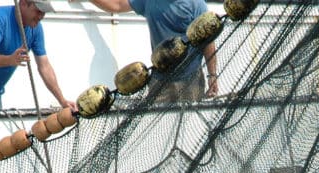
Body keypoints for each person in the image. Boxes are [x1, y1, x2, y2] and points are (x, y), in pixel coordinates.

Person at [0, 0, 76, 112]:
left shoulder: (36, 29)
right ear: (22, 4)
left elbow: (44, 67)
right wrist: (10, 60)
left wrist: (62, 100)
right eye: (38, 11)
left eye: (44, 12)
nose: (41, 16)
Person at [85, 0, 219, 102]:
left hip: (191, 78)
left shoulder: (196, 4)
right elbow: (117, 5)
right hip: (159, 79)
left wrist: (212, 75)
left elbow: (208, 41)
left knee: (189, 126)